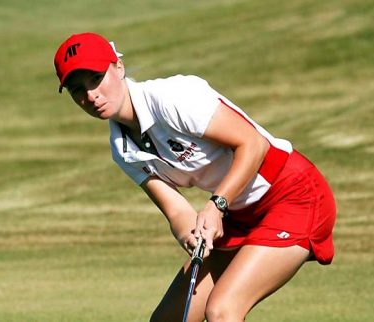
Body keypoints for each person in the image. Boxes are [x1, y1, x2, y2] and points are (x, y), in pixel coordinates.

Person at [54, 32, 336, 322]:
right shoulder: (122, 148)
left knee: (222, 311)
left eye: (96, 79)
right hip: (238, 215)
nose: (91, 95)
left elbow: (254, 145)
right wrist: (191, 234)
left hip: (293, 194)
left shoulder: (172, 98)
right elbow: (176, 211)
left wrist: (217, 206)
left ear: (119, 68)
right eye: (78, 89)